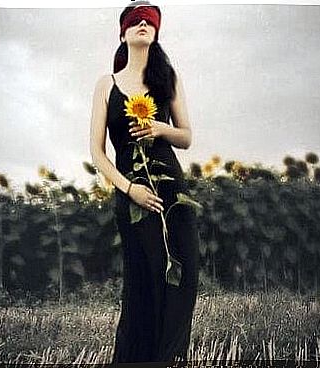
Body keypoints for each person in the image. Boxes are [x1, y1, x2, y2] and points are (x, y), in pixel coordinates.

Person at [89, 0, 200, 364]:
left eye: (149, 21)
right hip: (133, 193)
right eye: (134, 20)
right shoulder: (107, 85)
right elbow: (97, 153)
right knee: (144, 284)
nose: (142, 24)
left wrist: (160, 128)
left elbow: (186, 137)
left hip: (173, 193)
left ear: (156, 32)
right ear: (123, 32)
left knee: (182, 281)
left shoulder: (167, 78)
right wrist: (129, 189)